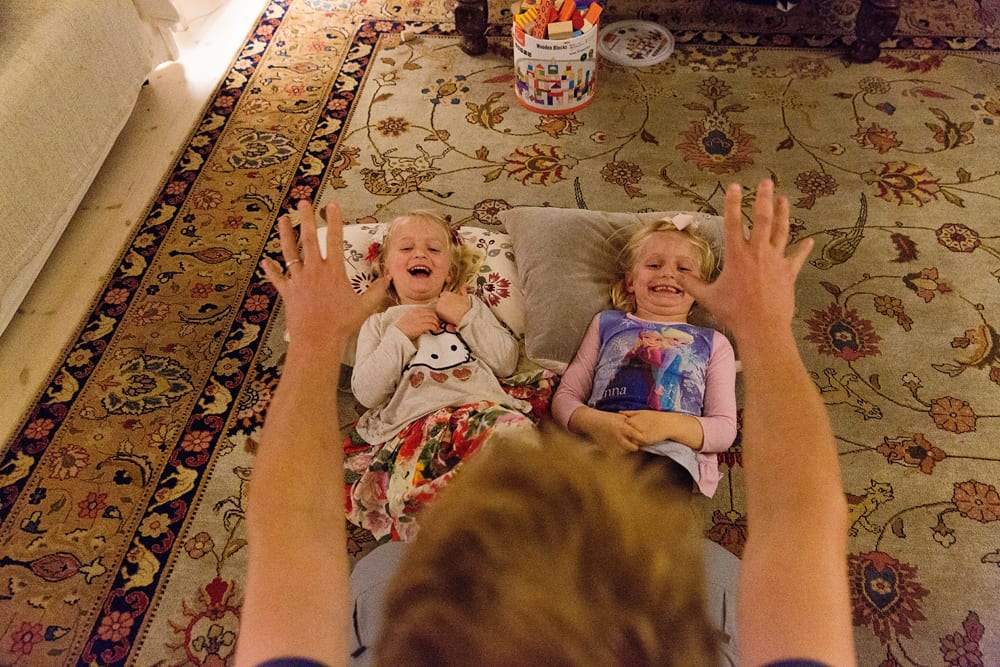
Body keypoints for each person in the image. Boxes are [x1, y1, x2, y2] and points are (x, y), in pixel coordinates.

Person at [237, 182, 855, 666]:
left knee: (386, 564)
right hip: (445, 431)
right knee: (698, 562)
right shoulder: (707, 585)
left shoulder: (384, 589)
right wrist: (766, 330)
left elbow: (295, 521)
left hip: (471, 430)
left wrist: (314, 342)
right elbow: (801, 518)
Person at [344, 210, 535, 541]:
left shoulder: (469, 307)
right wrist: (399, 336)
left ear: (450, 272)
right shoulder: (381, 323)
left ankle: (501, 521)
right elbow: (366, 392)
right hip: (413, 427)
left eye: (433, 249)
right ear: (387, 270)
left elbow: (505, 363)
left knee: (517, 439)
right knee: (410, 495)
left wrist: (466, 318)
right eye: (407, 248)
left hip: (479, 412)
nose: (420, 254)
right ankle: (454, 534)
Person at [551, 216, 737, 496]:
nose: (668, 274)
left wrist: (666, 425)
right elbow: (566, 396)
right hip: (599, 444)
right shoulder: (606, 323)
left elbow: (724, 429)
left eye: (683, 268)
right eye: (654, 265)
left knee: (651, 498)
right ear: (630, 281)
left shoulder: (713, 343)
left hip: (668, 455)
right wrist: (597, 422)